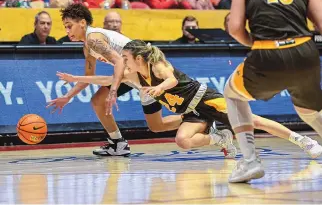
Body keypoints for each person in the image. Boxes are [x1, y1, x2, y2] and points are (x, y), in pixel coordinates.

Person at [56, 40, 322, 159]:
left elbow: (171, 80)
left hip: (204, 100)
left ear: (137, 58)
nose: (122, 62)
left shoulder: (157, 63)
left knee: (253, 121)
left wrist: (159, 91)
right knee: (183, 141)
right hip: (192, 113)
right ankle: (220, 137)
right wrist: (77, 78)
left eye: (125, 58)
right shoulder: (133, 75)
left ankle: (303, 140)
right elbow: (105, 80)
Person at [224, 0, 322, 183]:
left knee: (232, 94)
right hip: (305, 51)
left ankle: (250, 162)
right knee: (309, 111)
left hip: (267, 52)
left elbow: (234, 27)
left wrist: (255, 44)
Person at [46, 3, 132, 156]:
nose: (67, 31)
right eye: (65, 27)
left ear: (83, 23)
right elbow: (88, 78)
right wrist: (67, 97)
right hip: (130, 72)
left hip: (145, 67)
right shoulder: (87, 46)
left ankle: (189, 117)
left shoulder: (93, 39)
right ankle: (118, 143)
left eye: (69, 26)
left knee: (158, 125)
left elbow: (119, 61)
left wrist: (112, 92)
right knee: (98, 100)